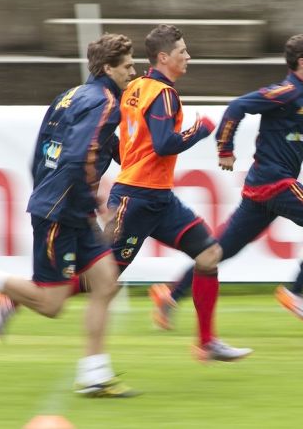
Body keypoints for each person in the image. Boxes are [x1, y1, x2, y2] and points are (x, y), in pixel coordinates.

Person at [0, 33, 139, 396]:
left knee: (105, 282)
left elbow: (42, 153)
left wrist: (53, 192)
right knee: (51, 304)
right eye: (128, 66)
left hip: (64, 206)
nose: (133, 72)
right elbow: (78, 156)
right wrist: (100, 205)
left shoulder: (68, 96)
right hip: (63, 212)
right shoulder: (106, 103)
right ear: (108, 68)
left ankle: (94, 377)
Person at [148, 34, 303, 329]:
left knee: (219, 251)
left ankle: (170, 296)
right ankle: (296, 292)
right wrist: (225, 148)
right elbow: (237, 106)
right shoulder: (286, 91)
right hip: (275, 182)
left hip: (263, 188)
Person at [106, 24, 252, 362]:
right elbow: (163, 144)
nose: (188, 56)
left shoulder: (135, 87)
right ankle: (28, 293)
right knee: (100, 278)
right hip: (137, 199)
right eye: (182, 51)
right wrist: (200, 130)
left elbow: (129, 141)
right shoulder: (163, 94)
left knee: (209, 254)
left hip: (157, 197)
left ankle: (207, 343)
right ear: (163, 57)